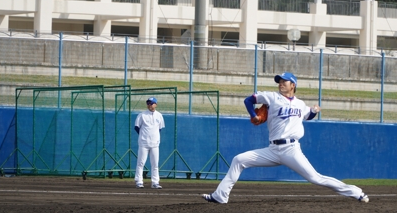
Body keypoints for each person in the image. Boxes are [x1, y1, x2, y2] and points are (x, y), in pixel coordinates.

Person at [202, 72, 369, 204]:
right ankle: (220, 196)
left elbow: (307, 115)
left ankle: (355, 192)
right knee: (239, 160)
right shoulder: (272, 97)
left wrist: (314, 111)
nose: (281, 83)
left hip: (291, 149)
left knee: (315, 178)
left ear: (293, 85)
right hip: (272, 150)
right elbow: (249, 100)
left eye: (284, 81)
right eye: (279, 81)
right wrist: (253, 114)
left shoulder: (300, 104)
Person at [134, 97, 165, 189]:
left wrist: (154, 138)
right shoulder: (142, 115)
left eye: (151, 103)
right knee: (141, 163)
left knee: (155, 164)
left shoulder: (159, 115)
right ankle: (139, 181)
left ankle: (155, 182)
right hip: (144, 143)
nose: (149, 105)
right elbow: (136, 127)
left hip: (155, 144)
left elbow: (160, 129)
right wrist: (144, 136)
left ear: (156, 104)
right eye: (148, 103)